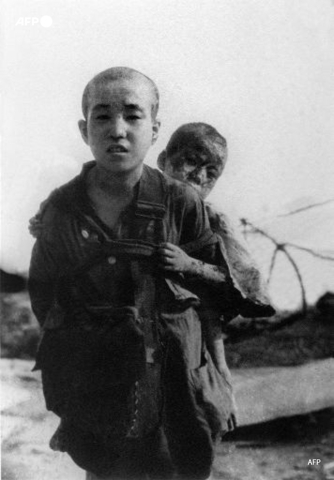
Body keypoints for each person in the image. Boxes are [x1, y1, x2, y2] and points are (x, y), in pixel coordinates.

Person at [28, 68, 245, 480]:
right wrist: (74, 343)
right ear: (83, 128)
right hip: (95, 380)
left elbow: (218, 284)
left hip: (171, 380)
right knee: (105, 468)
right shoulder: (61, 209)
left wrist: (188, 272)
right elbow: (44, 290)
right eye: (103, 116)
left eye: (133, 115)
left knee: (173, 466)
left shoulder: (181, 202)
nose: (118, 130)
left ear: (155, 129)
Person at [157, 122, 275, 374]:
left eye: (211, 173)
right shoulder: (142, 205)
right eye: (190, 162)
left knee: (215, 388)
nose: (199, 178)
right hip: (144, 323)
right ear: (163, 160)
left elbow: (239, 280)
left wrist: (190, 265)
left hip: (200, 324)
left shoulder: (213, 220)